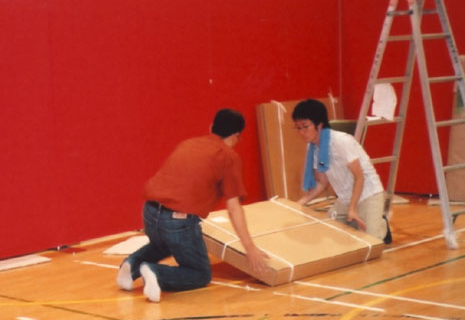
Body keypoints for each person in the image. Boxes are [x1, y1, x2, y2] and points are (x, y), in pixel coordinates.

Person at [117, 108, 271, 302]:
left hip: (149, 212)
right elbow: (233, 208)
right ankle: (156, 273)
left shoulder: (188, 144)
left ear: (211, 127)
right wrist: (250, 248)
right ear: (236, 136)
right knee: (200, 274)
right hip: (177, 221)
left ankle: (131, 265)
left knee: (164, 243)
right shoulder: (228, 157)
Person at [292, 98, 391, 243]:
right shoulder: (312, 147)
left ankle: (382, 226)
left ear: (319, 125)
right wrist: (301, 202)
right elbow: (322, 183)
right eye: (298, 128)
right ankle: (357, 221)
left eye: (305, 126)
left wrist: (352, 209)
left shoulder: (341, 141)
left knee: (371, 242)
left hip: (368, 194)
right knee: (331, 232)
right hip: (345, 198)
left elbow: (359, 177)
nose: (301, 132)